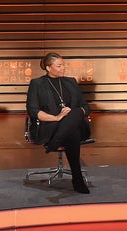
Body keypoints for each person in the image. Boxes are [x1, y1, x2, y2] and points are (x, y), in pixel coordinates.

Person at [26, 52, 91, 194]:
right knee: (71, 132)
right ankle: (77, 179)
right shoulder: (37, 84)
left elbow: (86, 107)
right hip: (50, 125)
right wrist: (57, 118)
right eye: (59, 65)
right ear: (49, 68)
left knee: (74, 114)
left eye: (64, 65)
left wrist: (71, 114)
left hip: (76, 125)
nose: (64, 68)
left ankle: (56, 141)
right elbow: (33, 111)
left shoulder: (71, 82)